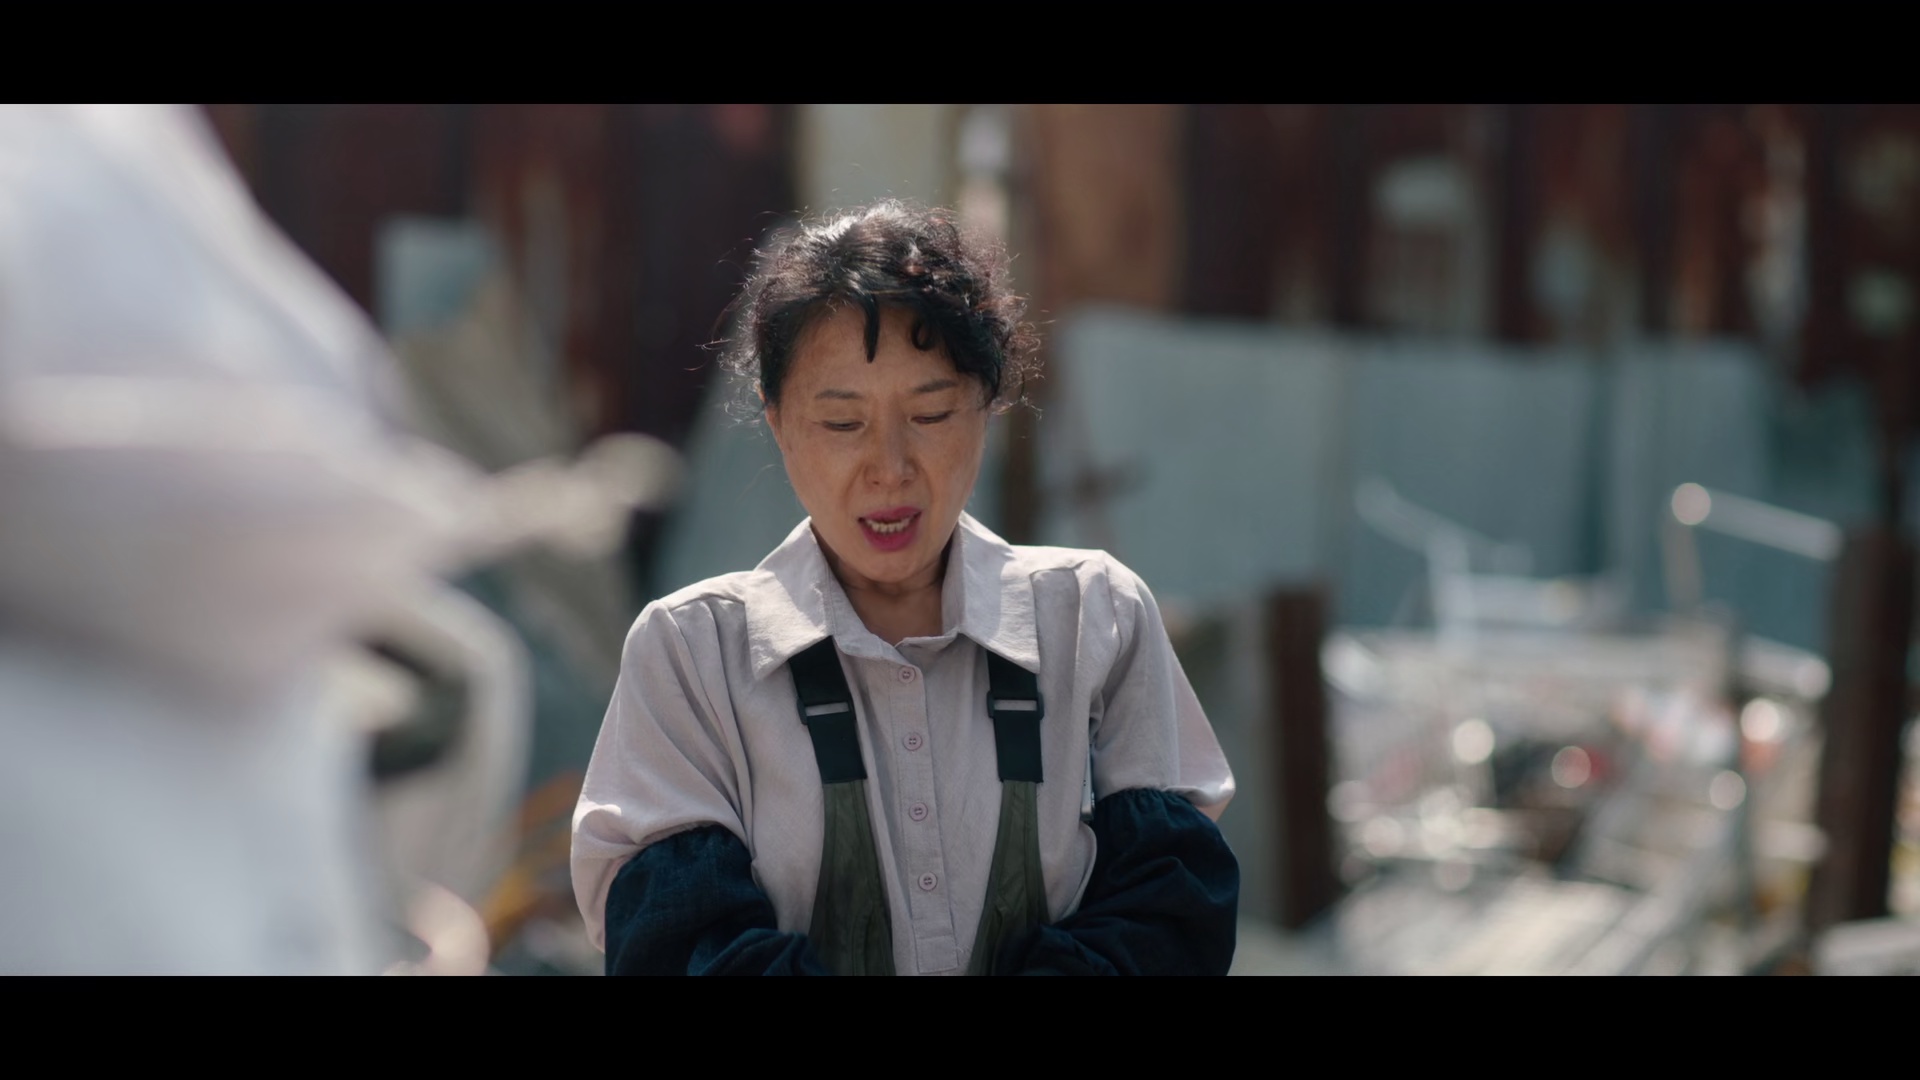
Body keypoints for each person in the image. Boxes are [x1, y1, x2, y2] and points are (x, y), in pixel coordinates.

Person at [571, 200, 1238, 975]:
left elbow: (1171, 915)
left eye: (930, 412)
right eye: (842, 423)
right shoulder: (691, 653)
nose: (889, 468)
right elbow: (676, 946)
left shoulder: (1097, 617)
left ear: (987, 408)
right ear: (778, 424)